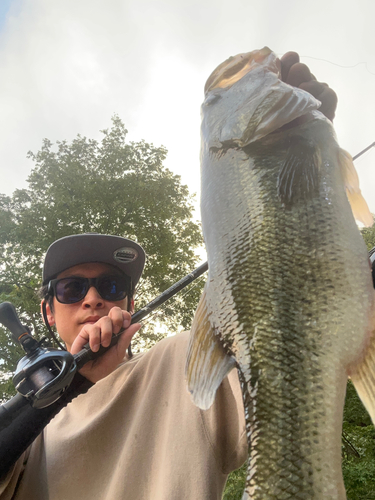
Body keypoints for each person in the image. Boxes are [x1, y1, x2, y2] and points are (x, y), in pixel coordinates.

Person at [0, 53, 338, 500]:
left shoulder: (184, 361)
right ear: (47, 310)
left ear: (130, 305)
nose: (94, 298)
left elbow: (288, 348)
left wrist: (299, 175)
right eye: (72, 288)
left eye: (112, 286)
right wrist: (69, 384)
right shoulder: (27, 432)